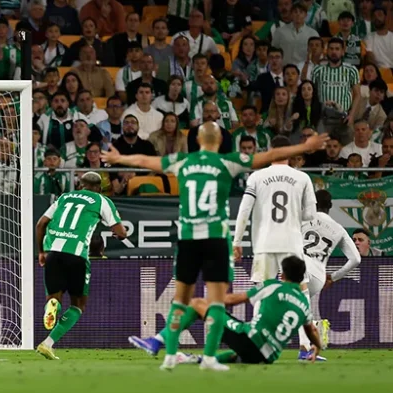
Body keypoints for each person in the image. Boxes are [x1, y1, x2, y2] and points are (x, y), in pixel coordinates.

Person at [101, 121, 329, 371]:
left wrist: (119, 158)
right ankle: (209, 358)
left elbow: (145, 161)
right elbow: (270, 155)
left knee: (180, 301)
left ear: (198, 140)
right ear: (220, 140)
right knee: (217, 302)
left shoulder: (182, 161)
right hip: (216, 238)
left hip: (188, 238)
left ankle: (170, 355)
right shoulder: (227, 162)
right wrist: (304, 146)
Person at [129, 256, 324, 365]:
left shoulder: (274, 286)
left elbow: (234, 299)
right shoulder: (304, 303)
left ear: (283, 274)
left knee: (196, 304)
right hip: (268, 357)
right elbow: (311, 331)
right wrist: (318, 347)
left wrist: (209, 303)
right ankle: (194, 360)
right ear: (302, 277)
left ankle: (156, 341)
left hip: (250, 340)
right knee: (234, 355)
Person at [35, 172, 127, 360]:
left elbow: (41, 224)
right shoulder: (101, 201)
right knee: (78, 305)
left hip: (53, 253)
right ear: (99, 188)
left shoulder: (64, 197)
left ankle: (52, 306)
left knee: (54, 298)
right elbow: (121, 232)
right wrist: (118, 233)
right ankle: (47, 343)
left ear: (80, 185)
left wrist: (41, 252)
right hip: (77, 255)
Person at [232, 136, 317, 328]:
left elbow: (244, 210)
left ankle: (255, 337)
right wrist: (294, 213)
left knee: (262, 291)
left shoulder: (256, 177)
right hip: (291, 242)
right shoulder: (303, 178)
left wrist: (237, 241)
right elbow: (311, 214)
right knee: (300, 290)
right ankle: (305, 342)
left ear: (270, 151)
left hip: (265, 242)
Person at [299, 189, 361, 360]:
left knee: (293, 304)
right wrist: (333, 277)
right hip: (319, 275)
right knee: (296, 306)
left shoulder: (302, 219)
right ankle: (311, 335)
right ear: (330, 206)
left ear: (313, 203)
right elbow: (356, 259)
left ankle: (306, 345)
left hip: (299, 267)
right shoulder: (338, 229)